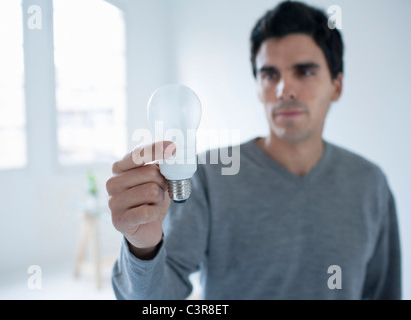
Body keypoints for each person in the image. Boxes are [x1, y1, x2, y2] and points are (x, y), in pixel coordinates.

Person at [107, 1, 401, 299]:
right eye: (270, 74)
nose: (284, 89)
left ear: (336, 85)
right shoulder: (209, 176)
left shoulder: (369, 184)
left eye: (305, 72)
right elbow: (156, 301)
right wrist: (142, 248)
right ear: (258, 86)